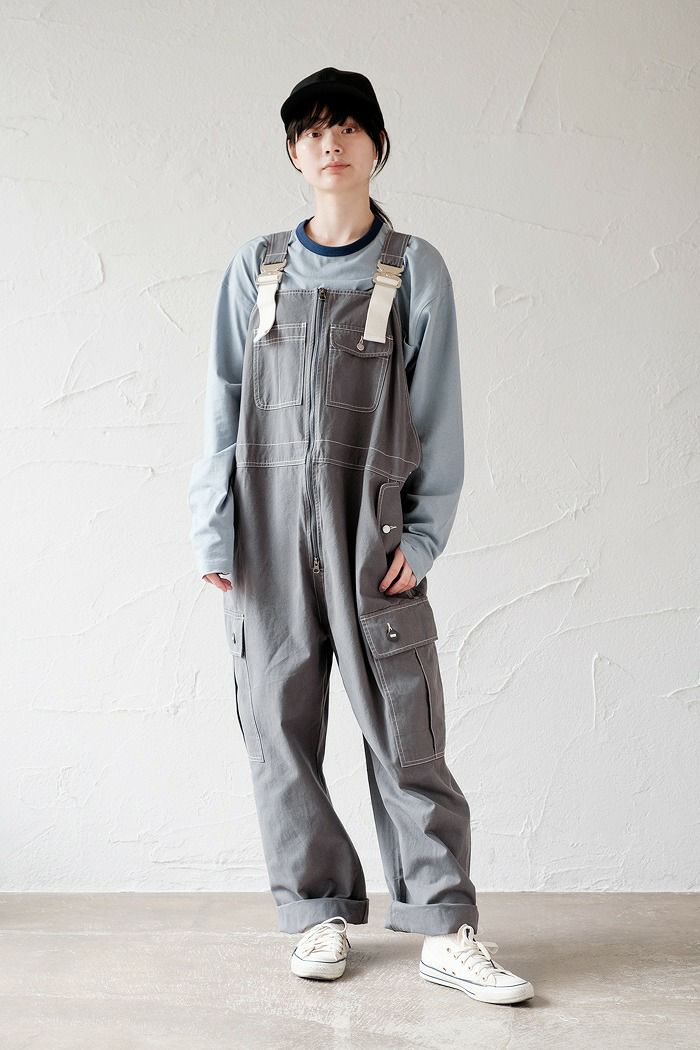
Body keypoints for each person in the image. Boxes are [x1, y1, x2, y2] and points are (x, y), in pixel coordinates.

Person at [188, 66, 534, 1006]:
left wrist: (423, 539)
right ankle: (317, 911)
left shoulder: (414, 270)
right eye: (310, 131)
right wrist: (213, 529)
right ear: (292, 154)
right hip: (265, 540)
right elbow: (221, 402)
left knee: (404, 729)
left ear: (377, 145)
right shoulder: (255, 269)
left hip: (371, 535)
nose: (329, 144)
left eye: (346, 127)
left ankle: (444, 926)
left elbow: (440, 417)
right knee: (279, 726)